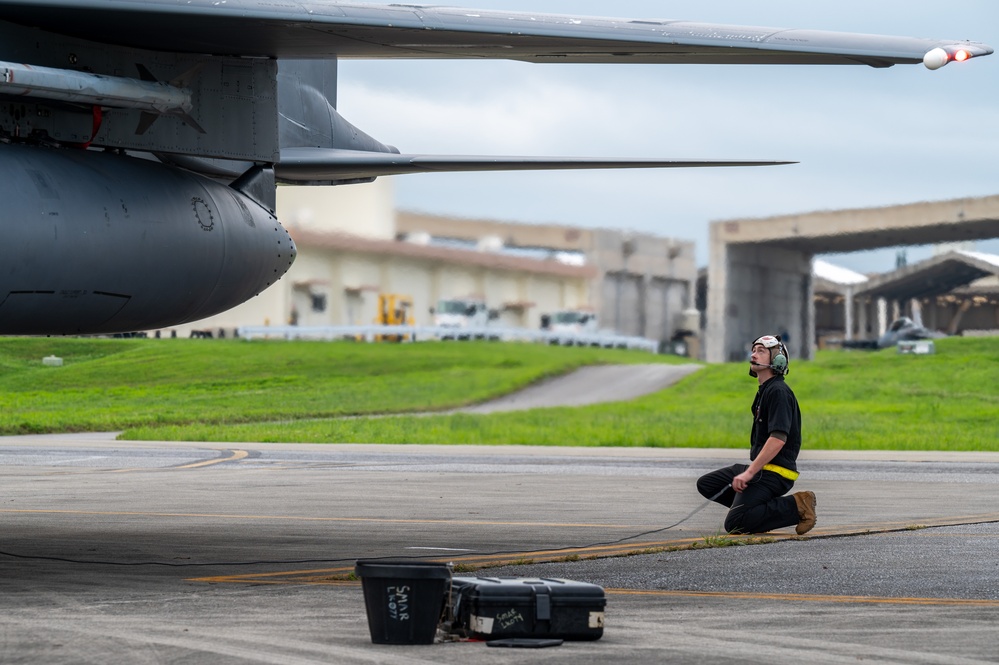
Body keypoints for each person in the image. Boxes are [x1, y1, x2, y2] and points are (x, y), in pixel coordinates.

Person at [696, 334, 816, 535]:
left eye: (761, 351)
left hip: (775, 473)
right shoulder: (764, 391)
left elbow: (778, 439)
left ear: (777, 360)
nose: (754, 354)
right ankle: (759, 514)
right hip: (762, 470)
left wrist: (749, 472)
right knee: (708, 484)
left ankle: (798, 505)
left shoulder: (778, 391)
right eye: (754, 350)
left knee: (735, 524)